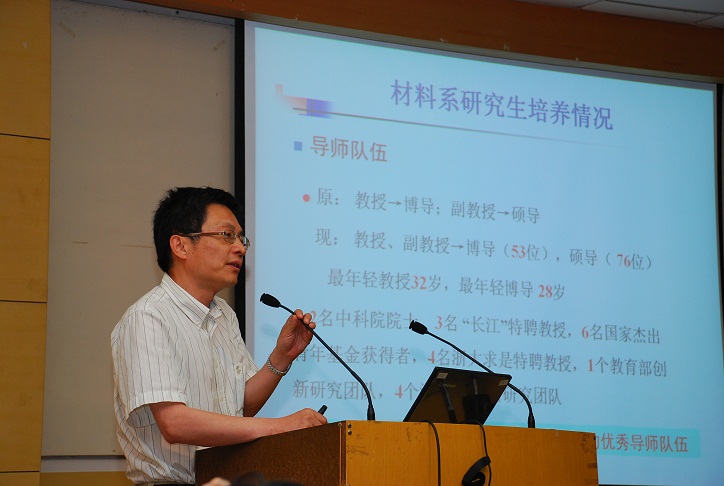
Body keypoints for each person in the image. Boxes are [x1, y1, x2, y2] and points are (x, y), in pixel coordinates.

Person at [112, 187, 327, 485]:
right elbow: (174, 423)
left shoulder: (224, 315)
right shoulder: (149, 317)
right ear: (180, 246)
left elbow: (239, 407)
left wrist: (283, 356)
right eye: (227, 235)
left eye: (241, 239)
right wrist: (280, 426)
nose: (240, 248)